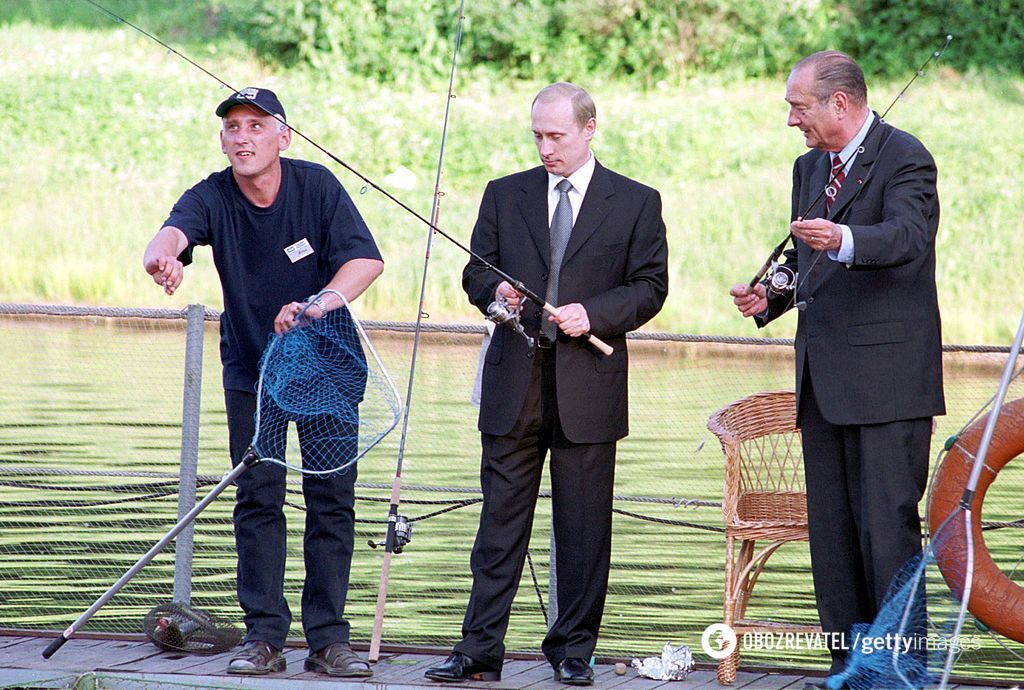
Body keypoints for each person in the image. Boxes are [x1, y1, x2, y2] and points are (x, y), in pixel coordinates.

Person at [425, 82, 669, 686]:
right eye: (537, 135)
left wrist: (597, 314)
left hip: (589, 384)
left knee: (584, 530)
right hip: (515, 381)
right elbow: (475, 270)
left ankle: (572, 651)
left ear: (589, 129)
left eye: (556, 136)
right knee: (498, 526)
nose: (545, 148)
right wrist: (496, 295)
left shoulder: (636, 202)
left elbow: (650, 286)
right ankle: (478, 651)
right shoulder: (504, 194)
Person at [143, 87, 384, 677]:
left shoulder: (318, 187)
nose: (242, 137)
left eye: (256, 125)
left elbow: (366, 261)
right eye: (232, 128)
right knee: (258, 498)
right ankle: (265, 639)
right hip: (252, 371)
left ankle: (329, 641)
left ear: (284, 136)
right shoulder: (212, 194)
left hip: (326, 367)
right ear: (223, 140)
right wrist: (161, 257)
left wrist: (316, 304)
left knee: (332, 498)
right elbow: (171, 233)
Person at [729, 52, 944, 684]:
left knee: (887, 537)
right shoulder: (808, 167)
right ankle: (847, 670)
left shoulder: (906, 157)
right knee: (834, 545)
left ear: (839, 103)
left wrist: (843, 240)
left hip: (888, 386)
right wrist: (773, 294)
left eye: (799, 106)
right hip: (821, 387)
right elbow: (807, 257)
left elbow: (908, 238)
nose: (791, 118)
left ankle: (901, 674)